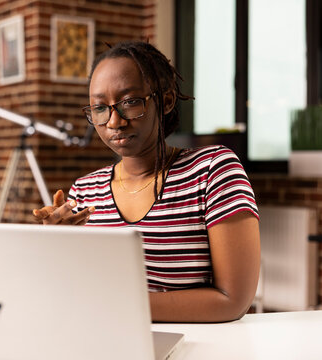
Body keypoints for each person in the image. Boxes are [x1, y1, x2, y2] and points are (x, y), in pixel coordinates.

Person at [32, 40, 260, 323]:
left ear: (165, 101)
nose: (114, 121)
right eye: (99, 108)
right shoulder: (85, 191)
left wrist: (116, 304)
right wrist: (55, 247)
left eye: (129, 102)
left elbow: (233, 300)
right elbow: (73, 292)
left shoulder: (212, 170)